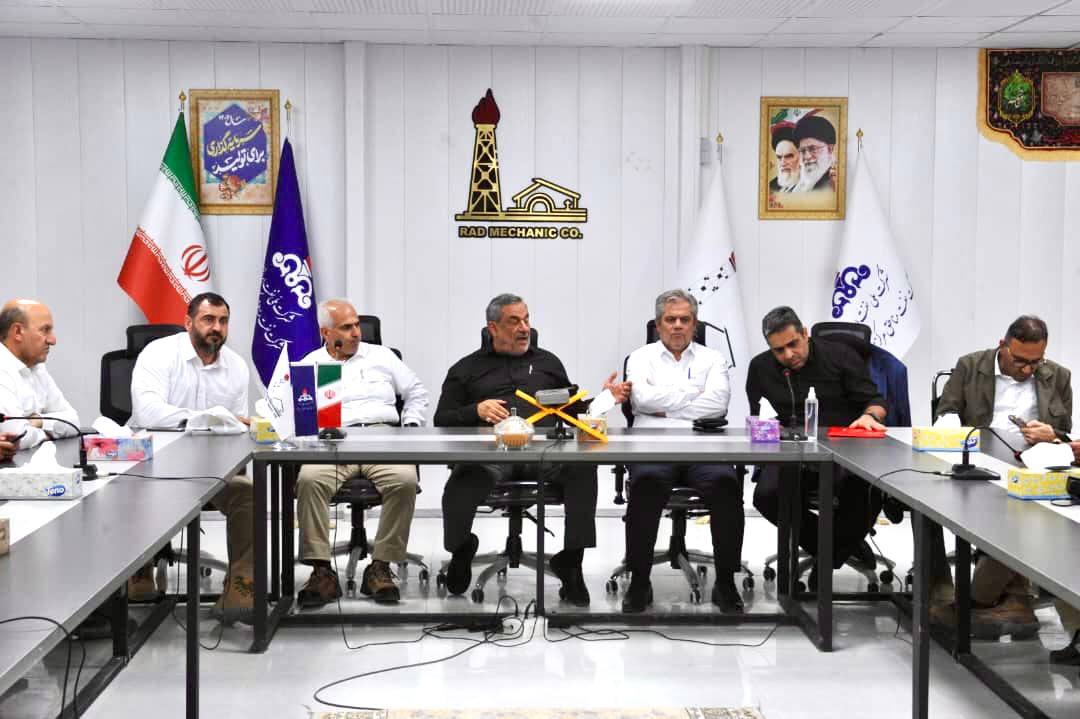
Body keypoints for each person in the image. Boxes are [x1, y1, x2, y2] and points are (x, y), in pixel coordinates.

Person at [434, 293, 630, 606]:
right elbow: (441, 419)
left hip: (545, 452)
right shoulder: (466, 368)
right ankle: (461, 547)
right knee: (461, 483)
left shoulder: (548, 363)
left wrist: (606, 398)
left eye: (526, 320)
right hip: (492, 454)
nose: (524, 328)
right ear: (493, 328)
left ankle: (571, 562)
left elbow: (574, 409)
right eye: (514, 321)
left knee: (583, 469)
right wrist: (476, 410)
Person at [933, 315, 1079, 651]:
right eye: (1020, 361)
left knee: (1032, 518)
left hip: (1032, 466)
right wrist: (953, 430)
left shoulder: (1058, 375)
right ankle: (1002, 597)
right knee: (1008, 516)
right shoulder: (970, 366)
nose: (1028, 370)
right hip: (979, 463)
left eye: (1035, 362)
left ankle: (984, 601)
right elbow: (946, 411)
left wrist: (1052, 434)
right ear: (1003, 346)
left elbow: (1064, 435)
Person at [129, 292, 255, 623]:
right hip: (154, 467)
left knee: (248, 494)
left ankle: (241, 583)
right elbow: (149, 413)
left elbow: (237, 428)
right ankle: (139, 567)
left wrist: (225, 425)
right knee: (127, 489)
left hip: (213, 469)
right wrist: (210, 418)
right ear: (188, 323)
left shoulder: (236, 367)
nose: (217, 328)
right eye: (208, 319)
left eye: (223, 321)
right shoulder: (158, 354)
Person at [294, 299, 429, 608]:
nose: (356, 332)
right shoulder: (312, 363)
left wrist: (409, 426)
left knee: (404, 480)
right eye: (346, 327)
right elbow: (298, 411)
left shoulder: (382, 356)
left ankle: (380, 566)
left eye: (356, 325)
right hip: (333, 440)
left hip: (383, 437)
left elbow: (416, 392)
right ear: (326, 333)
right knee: (309, 480)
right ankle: (321, 571)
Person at [621, 289, 744, 614]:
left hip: (704, 447)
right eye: (670, 319)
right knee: (645, 485)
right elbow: (640, 401)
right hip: (652, 448)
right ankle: (639, 581)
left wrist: (664, 405)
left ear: (695, 324)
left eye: (684, 320)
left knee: (726, 485)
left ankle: (726, 582)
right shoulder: (639, 357)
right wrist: (692, 395)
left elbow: (717, 404)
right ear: (658, 324)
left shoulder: (713, 358)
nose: (677, 325)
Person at [747, 306, 886, 585]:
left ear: (805, 333)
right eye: (779, 350)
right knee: (767, 496)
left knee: (870, 491)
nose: (788, 355)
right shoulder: (760, 367)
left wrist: (869, 417)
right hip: (789, 453)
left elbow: (875, 402)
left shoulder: (841, 356)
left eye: (793, 344)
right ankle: (838, 548)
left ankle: (830, 554)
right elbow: (758, 417)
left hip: (843, 450)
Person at [0, 299, 80, 450]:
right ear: (17, 332)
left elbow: (74, 421)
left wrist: (39, 421)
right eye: (45, 330)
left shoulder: (37, 368)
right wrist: (47, 435)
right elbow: (17, 436)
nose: (52, 340)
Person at [793, 115, 837, 193]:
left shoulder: (834, 183)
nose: (807, 156)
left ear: (829, 149)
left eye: (813, 149)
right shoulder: (800, 184)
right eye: (802, 151)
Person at [768, 128, 800, 194]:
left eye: (788, 156)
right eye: (779, 157)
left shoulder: (815, 186)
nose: (783, 163)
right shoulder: (771, 186)